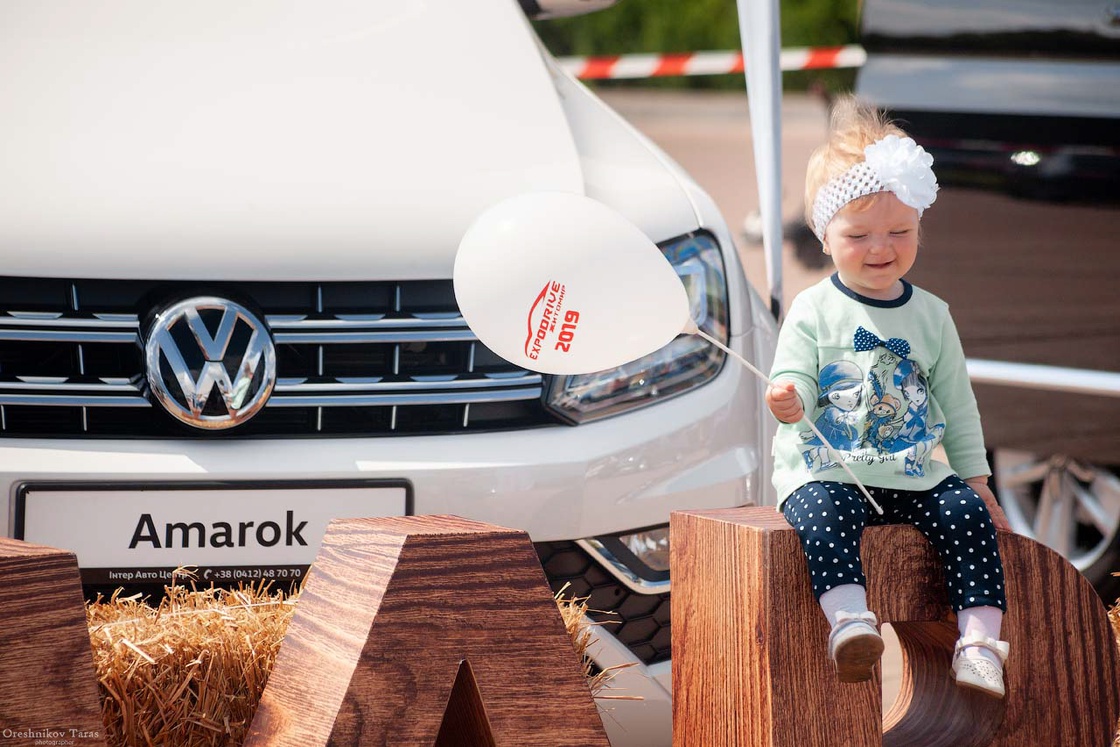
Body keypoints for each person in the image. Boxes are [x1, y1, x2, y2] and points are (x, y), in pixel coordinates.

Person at [765, 95, 1011, 698]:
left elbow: (957, 404)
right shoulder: (813, 308)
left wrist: (977, 480)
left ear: (919, 229)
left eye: (900, 232)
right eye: (859, 235)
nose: (881, 248)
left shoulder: (932, 314)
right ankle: (851, 622)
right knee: (820, 517)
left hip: (913, 473)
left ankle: (980, 644)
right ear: (825, 237)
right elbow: (794, 376)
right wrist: (790, 399)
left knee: (967, 516)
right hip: (831, 470)